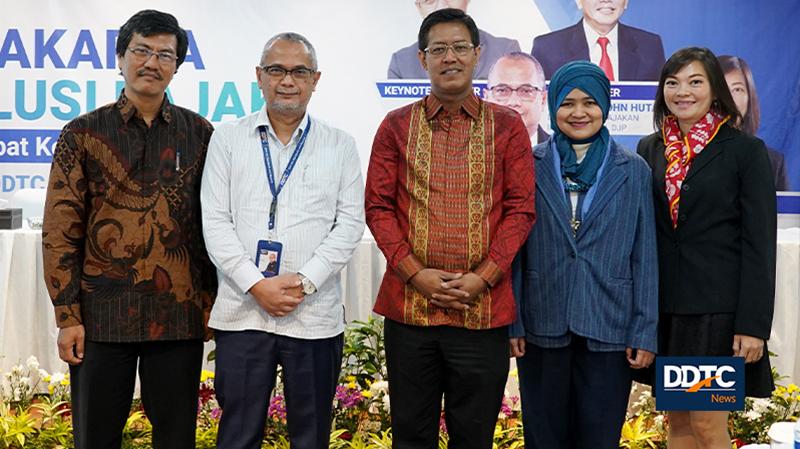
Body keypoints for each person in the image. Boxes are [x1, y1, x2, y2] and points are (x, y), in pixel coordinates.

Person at [41, 10, 217, 449]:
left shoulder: (200, 133)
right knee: (95, 436)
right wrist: (68, 316)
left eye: (164, 54)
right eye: (141, 50)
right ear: (120, 56)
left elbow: (213, 225)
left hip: (177, 315)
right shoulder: (82, 133)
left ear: (177, 66)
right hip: (102, 317)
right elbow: (61, 229)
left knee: (176, 438)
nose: (151, 63)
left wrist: (212, 302)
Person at [366, 8, 536, 449]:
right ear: (422, 60)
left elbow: (521, 210)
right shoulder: (395, 127)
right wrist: (415, 273)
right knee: (410, 434)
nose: (450, 57)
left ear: (478, 54)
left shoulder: (509, 126)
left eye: (460, 47)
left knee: (474, 436)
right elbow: (378, 207)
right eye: (438, 49)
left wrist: (483, 277)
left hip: (482, 312)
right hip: (410, 311)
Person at [201, 32, 365, 449]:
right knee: (237, 434)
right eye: (276, 70)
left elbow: (349, 225)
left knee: (310, 437)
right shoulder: (227, 139)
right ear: (259, 76)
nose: (287, 81)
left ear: (316, 79)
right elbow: (215, 223)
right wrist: (257, 285)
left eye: (299, 71)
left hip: (312, 315)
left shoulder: (340, 144)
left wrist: (303, 282)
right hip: (242, 313)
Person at [508, 60, 657, 449]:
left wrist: (644, 329)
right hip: (542, 323)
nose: (578, 112)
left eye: (589, 102)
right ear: (552, 105)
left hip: (610, 325)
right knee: (544, 437)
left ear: (605, 107)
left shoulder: (634, 169)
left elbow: (645, 256)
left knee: (599, 438)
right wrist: (514, 322)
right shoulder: (528, 162)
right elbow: (514, 248)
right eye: (567, 103)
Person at [637, 47, 776, 449]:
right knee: (678, 422)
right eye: (673, 82)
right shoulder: (651, 148)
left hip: (715, 314)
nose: (683, 92)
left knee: (707, 424)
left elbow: (759, 243)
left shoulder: (745, 150)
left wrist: (752, 325)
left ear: (715, 89)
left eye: (695, 81)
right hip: (668, 310)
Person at [532, 0, 664, 81]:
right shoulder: (547, 48)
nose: (606, 0)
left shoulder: (650, 46)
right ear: (578, 1)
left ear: (626, 1)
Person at [388, 0, 520, 79]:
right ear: (419, 7)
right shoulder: (401, 63)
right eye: (430, 0)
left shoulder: (505, 51)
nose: (442, 5)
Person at [718, 54, 791, 190]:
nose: (729, 98)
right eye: (722, 89)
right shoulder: (685, 156)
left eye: (737, 90)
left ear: (749, 98)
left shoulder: (773, 162)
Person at [485, 52, 550, 145]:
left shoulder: (563, 155)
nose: (513, 102)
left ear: (543, 100)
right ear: (486, 98)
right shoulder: (461, 154)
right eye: (502, 91)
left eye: (526, 91)